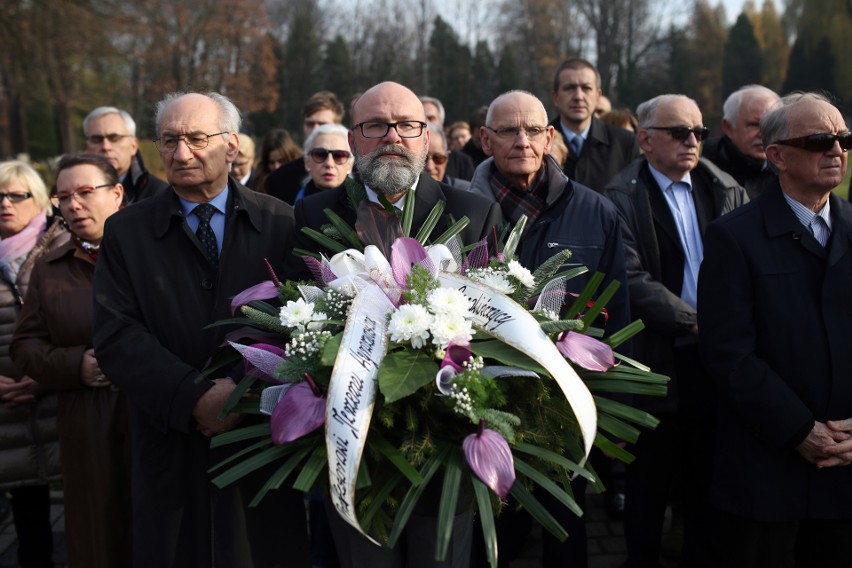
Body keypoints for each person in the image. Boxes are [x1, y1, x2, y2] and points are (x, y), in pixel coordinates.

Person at [92, 91, 308, 567]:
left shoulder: (281, 221)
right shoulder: (126, 232)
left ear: (231, 145)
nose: (180, 152)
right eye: (168, 140)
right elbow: (116, 335)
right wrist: (193, 396)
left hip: (258, 438)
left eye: (195, 138)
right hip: (168, 439)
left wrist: (238, 392)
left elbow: (302, 325)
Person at [290, 81, 502, 567]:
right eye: (376, 125)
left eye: (407, 125)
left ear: (426, 138)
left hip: (446, 449)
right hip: (354, 450)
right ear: (352, 141)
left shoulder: (474, 212)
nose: (393, 136)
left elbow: (501, 319)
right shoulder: (311, 215)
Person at [469, 89, 630, 567]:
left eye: (534, 130)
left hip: (564, 401)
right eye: (507, 131)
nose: (522, 140)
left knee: (564, 529)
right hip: (484, 404)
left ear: (550, 137)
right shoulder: (461, 211)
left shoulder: (596, 211)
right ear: (484, 139)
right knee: (493, 533)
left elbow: (616, 309)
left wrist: (613, 398)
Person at [698, 92, 852, 567]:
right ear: (777, 155)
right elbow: (728, 353)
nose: (836, 150)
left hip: (846, 467)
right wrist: (800, 430)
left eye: (844, 139)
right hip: (766, 472)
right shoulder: (734, 237)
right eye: (819, 140)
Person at [604, 94, 747, 568]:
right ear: (644, 140)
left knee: (707, 476)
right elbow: (631, 277)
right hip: (658, 357)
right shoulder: (620, 197)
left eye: (699, 133)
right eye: (679, 133)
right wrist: (694, 320)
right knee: (649, 481)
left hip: (717, 357)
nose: (692, 142)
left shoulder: (723, 188)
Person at [11, 153, 131, 568]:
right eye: (64, 197)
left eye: (85, 193)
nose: (74, 205)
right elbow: (24, 346)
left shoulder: (156, 255)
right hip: (87, 423)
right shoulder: (51, 268)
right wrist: (72, 364)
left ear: (117, 194)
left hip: (151, 417)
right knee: (98, 539)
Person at [0, 159, 68, 568]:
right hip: (6, 409)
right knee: (27, 518)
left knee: (79, 511)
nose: (4, 204)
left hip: (59, 397)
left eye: (16, 195)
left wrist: (46, 374)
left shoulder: (63, 246)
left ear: (39, 199)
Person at [550, 58, 640, 192]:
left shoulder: (625, 144)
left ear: (598, 96)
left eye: (586, 88)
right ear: (555, 97)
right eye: (569, 88)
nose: (578, 96)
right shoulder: (538, 144)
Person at [266, 91, 346, 202]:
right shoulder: (280, 179)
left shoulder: (360, 181)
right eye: (310, 124)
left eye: (323, 125)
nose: (315, 129)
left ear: (337, 126)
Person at [702, 85, 780, 198]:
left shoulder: (791, 172)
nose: (763, 134)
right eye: (754, 125)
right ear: (728, 127)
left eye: (771, 125)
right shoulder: (703, 175)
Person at [84, 106, 168, 203]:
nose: (106, 147)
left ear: (133, 145)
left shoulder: (159, 194)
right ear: (87, 147)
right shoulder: (72, 196)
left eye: (114, 138)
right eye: (97, 139)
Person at [295, 123, 354, 203]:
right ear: (307, 162)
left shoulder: (366, 206)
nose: (329, 164)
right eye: (320, 154)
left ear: (350, 165)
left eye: (339, 156)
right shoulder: (290, 209)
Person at [420, 95, 475, 181]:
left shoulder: (462, 162)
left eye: (431, 118)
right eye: (421, 119)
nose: (426, 123)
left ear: (441, 123)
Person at [253, 128, 302, 195]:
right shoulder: (259, 183)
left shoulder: (303, 180)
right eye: (272, 162)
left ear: (291, 157)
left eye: (281, 161)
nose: (276, 167)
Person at [425, 123, 470, 189]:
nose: (430, 167)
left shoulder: (467, 191)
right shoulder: (405, 196)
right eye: (422, 159)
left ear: (447, 158)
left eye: (438, 158)